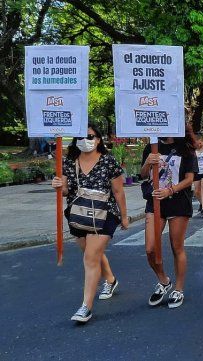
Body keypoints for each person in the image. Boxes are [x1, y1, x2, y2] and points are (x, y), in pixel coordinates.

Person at [51, 124, 128, 323]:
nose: (85, 140)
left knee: (90, 257)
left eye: (90, 136)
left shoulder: (108, 161)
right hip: (78, 213)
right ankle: (110, 280)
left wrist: (124, 216)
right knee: (90, 253)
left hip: (105, 213)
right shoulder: (69, 161)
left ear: (98, 139)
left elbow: (119, 191)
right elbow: (67, 190)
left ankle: (86, 306)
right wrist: (59, 186)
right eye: (80, 136)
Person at [140, 129, 197, 309]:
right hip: (155, 202)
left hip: (178, 202)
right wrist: (148, 162)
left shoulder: (186, 147)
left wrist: (170, 190)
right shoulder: (151, 147)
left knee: (176, 246)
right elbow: (142, 175)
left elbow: (190, 179)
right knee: (150, 248)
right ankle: (164, 280)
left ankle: (178, 289)